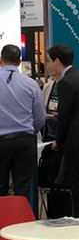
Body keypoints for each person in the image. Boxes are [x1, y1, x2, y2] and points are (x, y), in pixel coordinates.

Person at [46, 44, 79, 216]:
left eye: (49, 61)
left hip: (77, 140)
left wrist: (58, 141)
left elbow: (65, 116)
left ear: (57, 61)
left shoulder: (66, 82)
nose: (47, 65)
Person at [0, 44, 45, 198]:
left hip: (1, 141)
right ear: (19, 62)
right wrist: (31, 131)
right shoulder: (31, 84)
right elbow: (40, 116)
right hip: (24, 141)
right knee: (22, 189)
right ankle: (21, 213)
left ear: (0, 59)